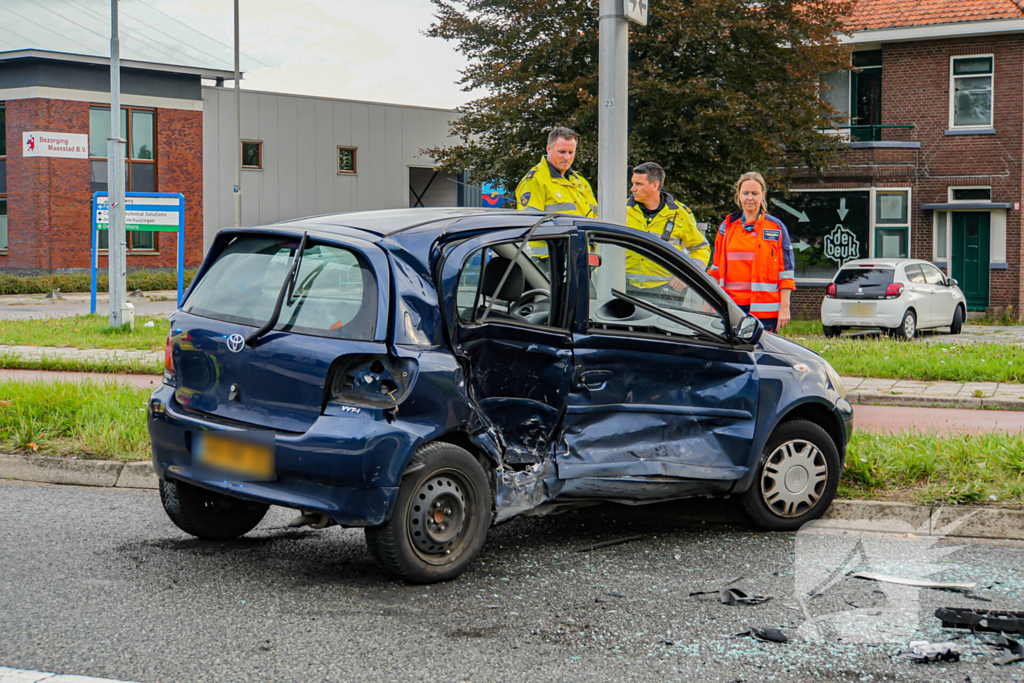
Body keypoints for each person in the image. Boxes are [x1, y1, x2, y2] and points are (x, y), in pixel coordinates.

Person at [709, 172, 795, 332]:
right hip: (730, 309)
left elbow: (786, 274)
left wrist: (784, 307)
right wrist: (708, 303)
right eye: (745, 193)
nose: (750, 198)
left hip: (765, 313)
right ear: (738, 195)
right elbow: (716, 270)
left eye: (754, 193)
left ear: (763, 195)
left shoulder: (776, 228)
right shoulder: (726, 228)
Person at [625, 162, 710, 292]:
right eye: (633, 183)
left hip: (665, 292)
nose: (632, 189)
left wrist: (688, 276)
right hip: (625, 287)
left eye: (639, 184)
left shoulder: (680, 214)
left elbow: (700, 248)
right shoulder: (621, 210)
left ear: (655, 185)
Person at [515, 127, 598, 218]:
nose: (567, 157)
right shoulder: (534, 181)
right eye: (562, 152)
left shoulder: (581, 182)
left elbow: (599, 219)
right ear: (549, 149)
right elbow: (531, 225)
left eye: (571, 152)